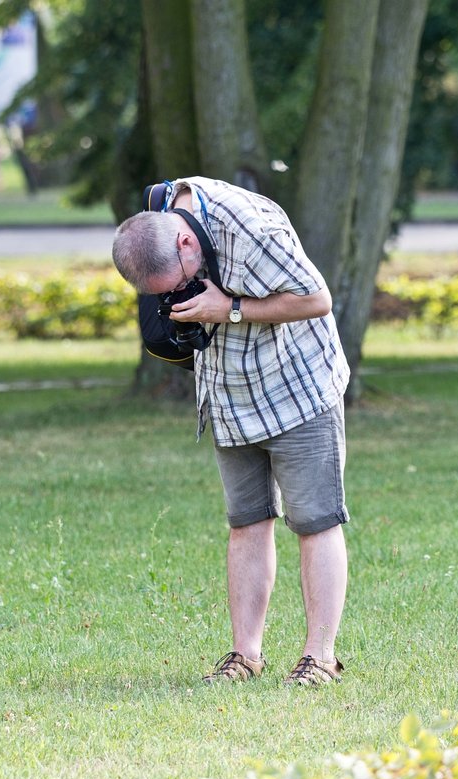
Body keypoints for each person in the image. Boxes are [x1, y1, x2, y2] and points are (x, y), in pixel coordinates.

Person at [112, 176, 351, 686]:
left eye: (178, 282)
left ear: (185, 241)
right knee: (246, 521)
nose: (178, 293)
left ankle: (320, 659)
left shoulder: (252, 228)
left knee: (315, 520)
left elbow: (317, 299)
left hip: (296, 384)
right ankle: (245, 656)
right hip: (226, 390)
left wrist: (232, 309)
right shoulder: (161, 214)